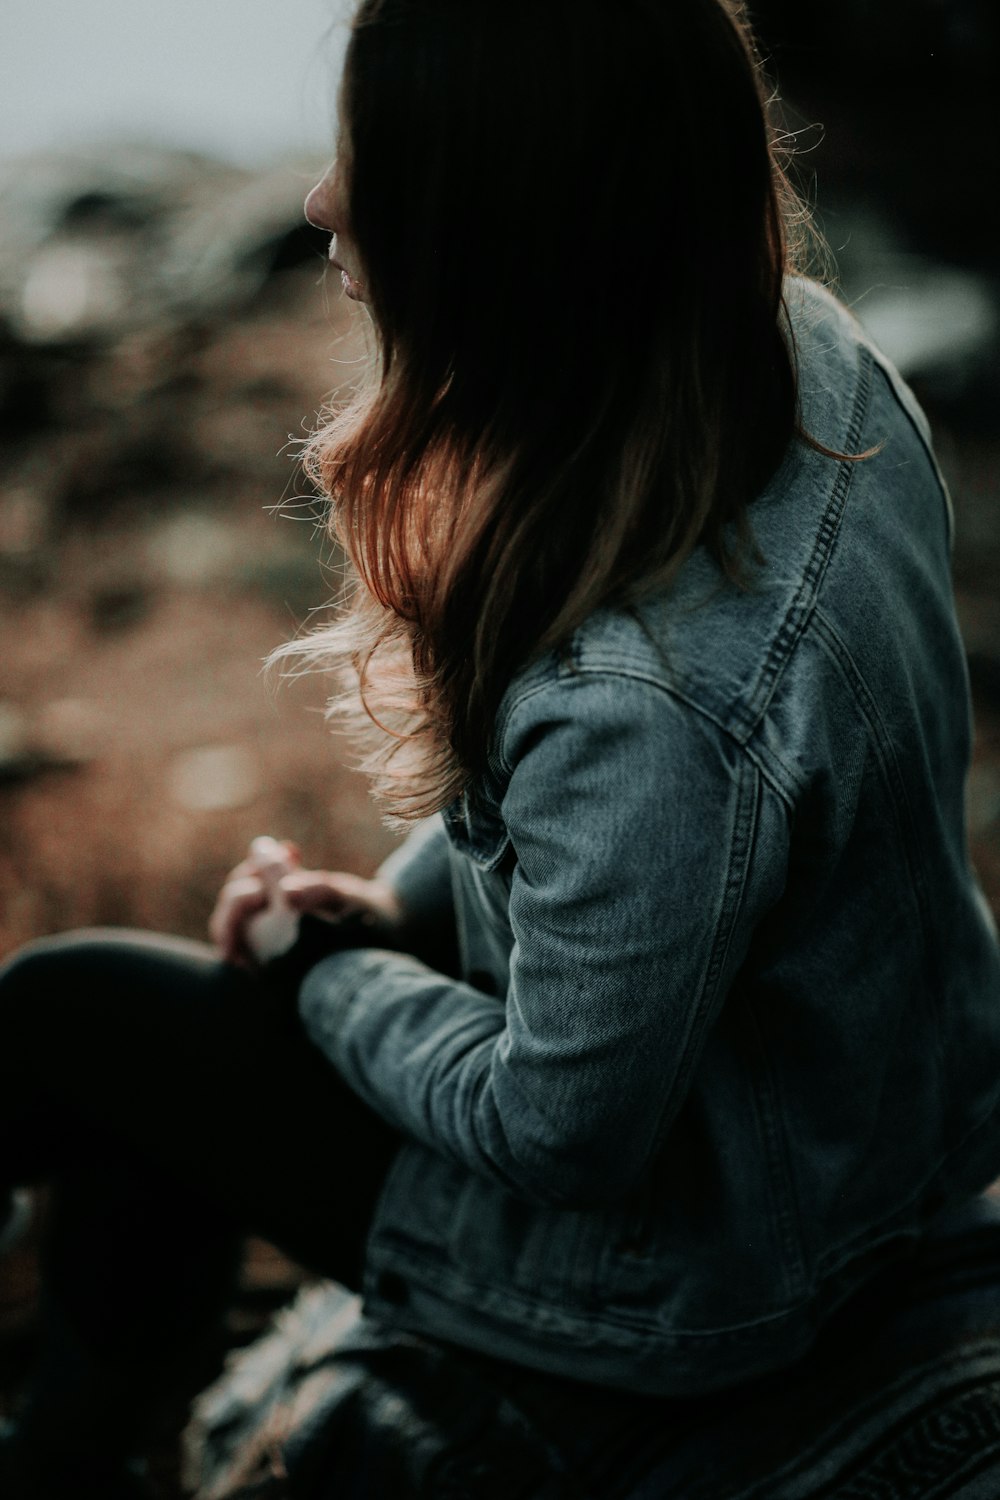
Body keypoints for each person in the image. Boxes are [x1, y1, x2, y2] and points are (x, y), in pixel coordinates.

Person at [3, 0, 1000, 1493]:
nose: (320, 199)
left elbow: (558, 1132)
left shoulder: (637, 701)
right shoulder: (809, 360)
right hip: (883, 1128)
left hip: (713, 1276)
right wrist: (397, 909)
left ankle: (67, 1458)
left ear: (507, 229)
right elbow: (678, 853)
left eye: (374, 162)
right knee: (144, 1048)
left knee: (71, 1017)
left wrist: (325, 972)